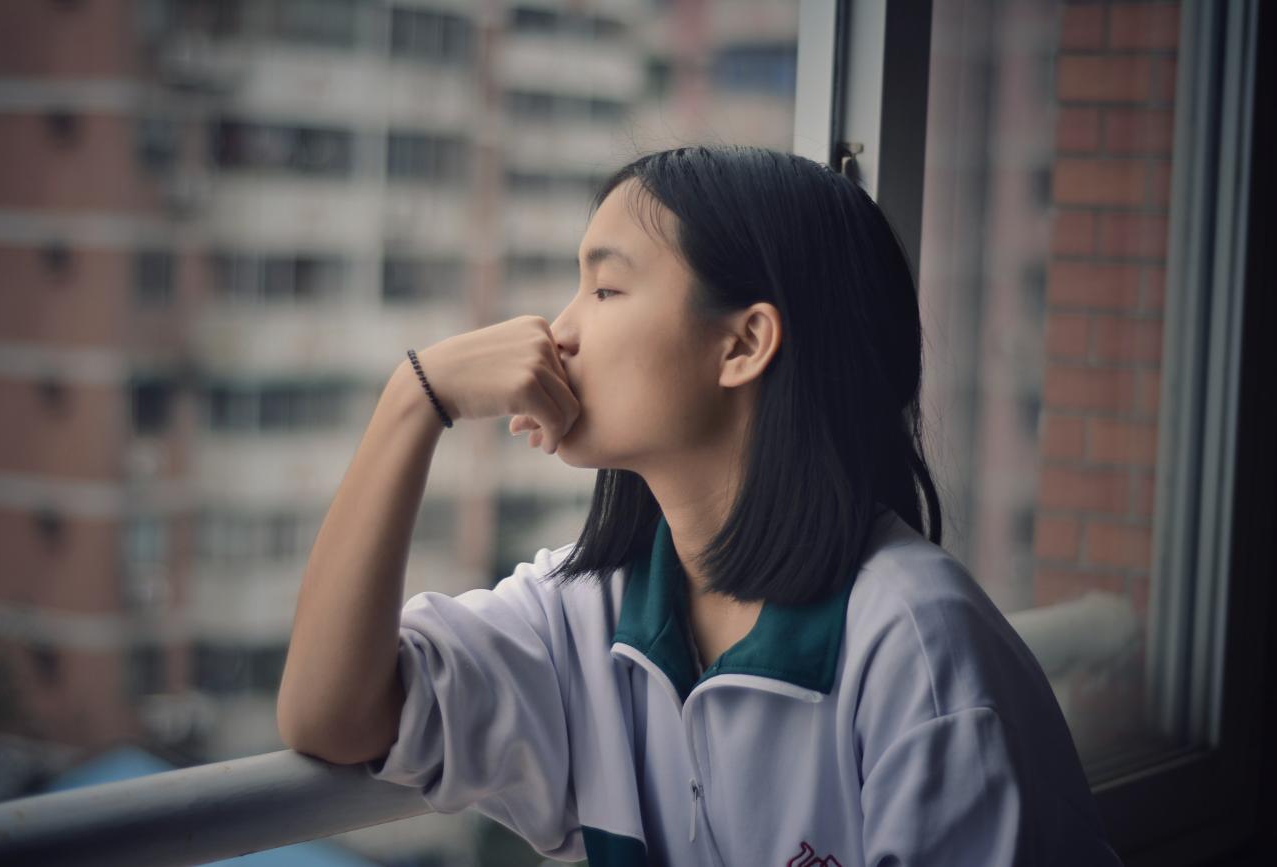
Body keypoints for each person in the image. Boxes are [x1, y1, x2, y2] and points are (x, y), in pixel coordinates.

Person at [276, 145, 1124, 866]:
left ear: (744, 343)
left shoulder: (917, 648)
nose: (556, 333)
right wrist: (413, 398)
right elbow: (334, 714)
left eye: (605, 290)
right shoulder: (585, 615)